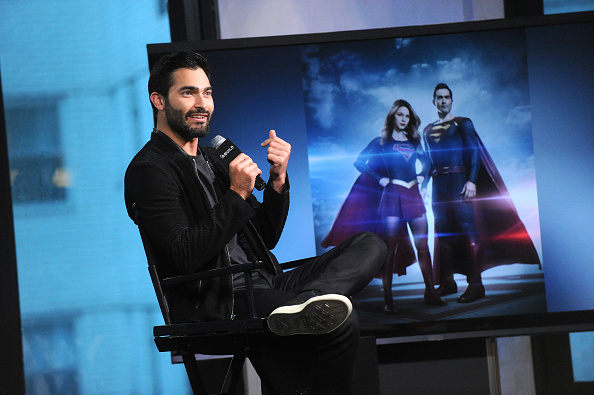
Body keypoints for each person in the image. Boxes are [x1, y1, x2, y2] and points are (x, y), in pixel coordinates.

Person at [124, 50, 387, 394]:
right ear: (159, 100)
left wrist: (278, 180)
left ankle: (308, 302)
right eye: (188, 92)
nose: (202, 102)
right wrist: (236, 193)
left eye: (207, 92)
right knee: (340, 323)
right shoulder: (150, 169)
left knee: (371, 244)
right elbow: (183, 254)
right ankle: (304, 311)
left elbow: (267, 236)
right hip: (223, 299)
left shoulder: (214, 158)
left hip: (267, 283)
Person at [322, 100, 445, 311]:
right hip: (391, 195)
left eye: (407, 116)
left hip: (412, 194)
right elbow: (360, 162)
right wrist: (380, 179)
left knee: (423, 247)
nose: (404, 119)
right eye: (400, 115)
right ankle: (389, 300)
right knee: (389, 250)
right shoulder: (381, 142)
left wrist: (423, 178)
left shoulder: (414, 141)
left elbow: (427, 163)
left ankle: (430, 293)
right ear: (393, 117)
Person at [423, 83, 541, 303]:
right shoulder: (427, 130)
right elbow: (429, 162)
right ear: (434, 101)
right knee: (444, 235)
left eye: (447, 97)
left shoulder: (462, 124)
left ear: (451, 100)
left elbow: (473, 153)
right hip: (439, 186)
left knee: (469, 232)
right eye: (439, 97)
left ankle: (476, 285)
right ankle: (447, 282)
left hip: (460, 181)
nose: (443, 101)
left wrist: (471, 180)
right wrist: (423, 185)